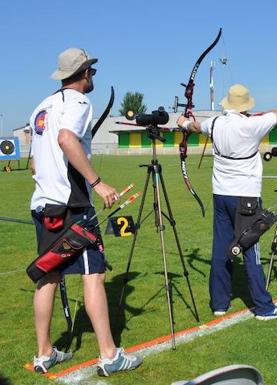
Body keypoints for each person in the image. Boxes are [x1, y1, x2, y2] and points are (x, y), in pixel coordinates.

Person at [29, 48, 142, 376]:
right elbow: (66, 139)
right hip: (72, 206)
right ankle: (109, 354)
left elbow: (36, 161)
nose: (93, 75)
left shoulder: (42, 107)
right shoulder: (77, 102)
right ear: (84, 73)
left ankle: (44, 352)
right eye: (91, 70)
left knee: (48, 275)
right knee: (94, 275)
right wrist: (98, 182)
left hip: (44, 204)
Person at [177, 84, 277, 320]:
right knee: (250, 250)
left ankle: (219, 303)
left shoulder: (216, 122)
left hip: (221, 194)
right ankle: (263, 307)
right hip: (245, 196)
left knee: (220, 248)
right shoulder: (252, 124)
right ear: (246, 106)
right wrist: (257, 116)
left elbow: (197, 126)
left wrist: (184, 123)